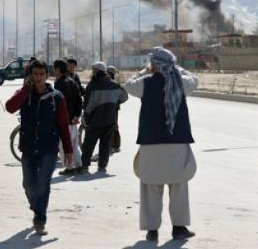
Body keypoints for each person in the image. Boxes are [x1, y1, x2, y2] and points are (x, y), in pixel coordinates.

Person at [125, 47, 198, 242]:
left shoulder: (145, 83)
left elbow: (128, 84)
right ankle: (179, 228)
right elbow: (195, 79)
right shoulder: (182, 82)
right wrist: (179, 69)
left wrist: (144, 71)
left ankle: (152, 231)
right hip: (177, 141)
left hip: (151, 142)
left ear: (153, 64)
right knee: (179, 185)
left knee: (150, 187)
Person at [5, 60, 73, 236]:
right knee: (28, 184)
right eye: (35, 74)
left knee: (43, 184)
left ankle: (40, 219)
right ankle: (37, 206)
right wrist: (25, 90)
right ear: (30, 75)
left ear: (47, 75)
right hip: (28, 147)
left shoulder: (56, 97)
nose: (38, 78)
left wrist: (68, 149)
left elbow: (63, 125)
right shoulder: (24, 94)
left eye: (41, 74)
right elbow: (10, 107)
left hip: (49, 148)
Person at [80, 61, 128, 173]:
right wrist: (114, 103)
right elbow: (125, 96)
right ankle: (102, 167)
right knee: (105, 145)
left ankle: (85, 166)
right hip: (110, 119)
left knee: (88, 144)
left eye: (93, 70)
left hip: (95, 121)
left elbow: (88, 105)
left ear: (96, 71)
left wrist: (85, 118)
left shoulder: (93, 85)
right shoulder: (114, 84)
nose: (92, 72)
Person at [53, 59, 83, 175]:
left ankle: (69, 167)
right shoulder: (72, 81)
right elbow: (79, 100)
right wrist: (77, 115)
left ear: (58, 69)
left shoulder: (59, 83)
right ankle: (79, 165)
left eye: (55, 69)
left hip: (65, 121)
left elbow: (58, 104)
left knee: (65, 144)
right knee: (74, 145)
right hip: (73, 120)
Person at [107, 65, 122, 153]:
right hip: (115, 106)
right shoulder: (116, 83)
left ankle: (113, 145)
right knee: (114, 125)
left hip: (111, 106)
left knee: (111, 126)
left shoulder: (111, 82)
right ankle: (116, 145)